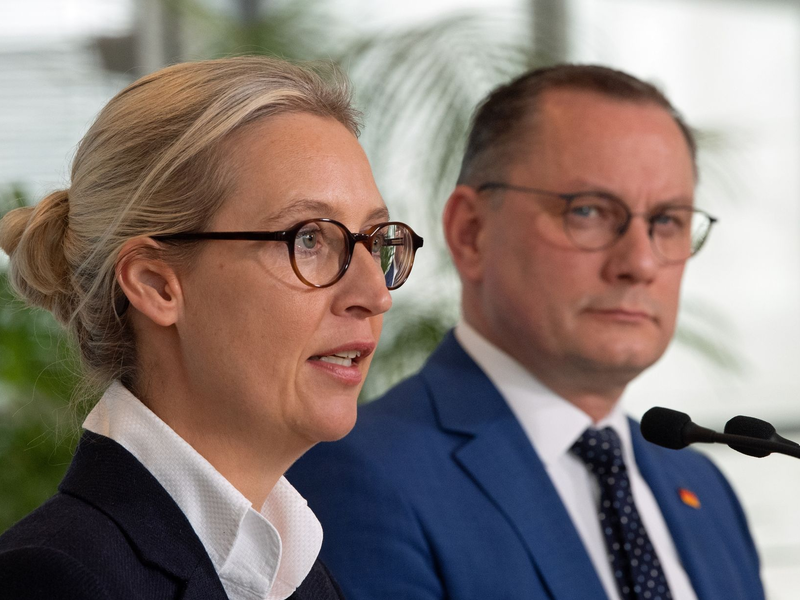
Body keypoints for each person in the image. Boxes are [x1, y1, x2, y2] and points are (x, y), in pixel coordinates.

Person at [288, 64, 765, 599]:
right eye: (588, 212)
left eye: (668, 222)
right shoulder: (358, 476)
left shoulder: (705, 488)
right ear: (471, 233)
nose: (639, 263)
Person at [0, 56, 423, 599]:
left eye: (373, 239)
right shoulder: (54, 581)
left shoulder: (300, 578)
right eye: (310, 239)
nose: (375, 295)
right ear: (156, 285)